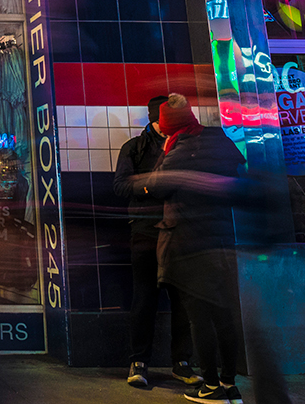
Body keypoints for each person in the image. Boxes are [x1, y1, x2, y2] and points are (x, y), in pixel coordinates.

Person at [150, 93, 247, 403]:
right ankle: (230, 382)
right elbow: (237, 172)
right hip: (221, 237)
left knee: (199, 318)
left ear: (169, 126)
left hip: (189, 243)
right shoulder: (219, 139)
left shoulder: (178, 148)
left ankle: (211, 386)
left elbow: (157, 186)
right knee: (224, 315)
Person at [114, 94, 197, 389]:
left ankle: (182, 362)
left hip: (180, 230)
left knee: (182, 299)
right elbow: (121, 186)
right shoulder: (134, 148)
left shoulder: (186, 144)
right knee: (145, 297)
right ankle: (139, 361)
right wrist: (154, 186)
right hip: (146, 231)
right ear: (155, 120)